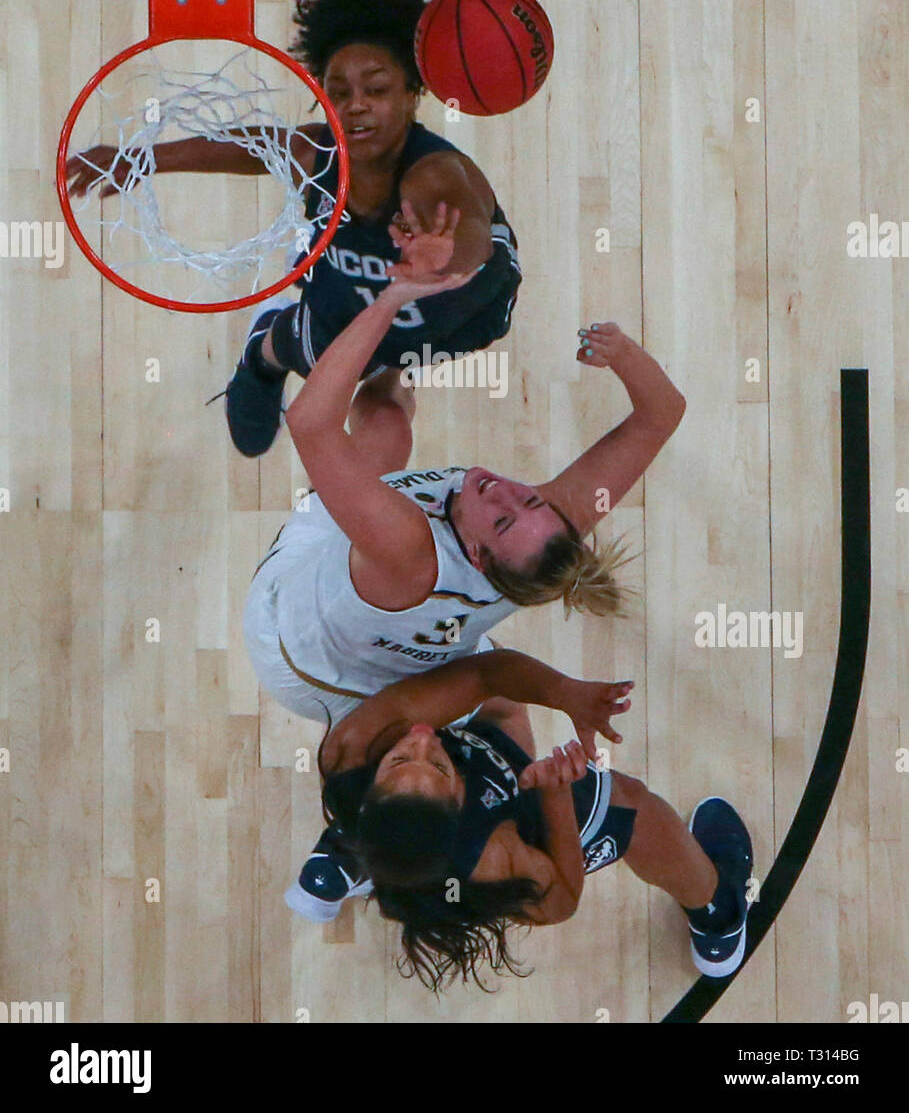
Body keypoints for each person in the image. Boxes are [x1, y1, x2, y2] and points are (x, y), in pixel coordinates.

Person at [243, 257, 686, 729]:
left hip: (295, 649)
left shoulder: (407, 546)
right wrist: (621, 352)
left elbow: (310, 423)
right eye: (530, 499)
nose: (507, 494)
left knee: (364, 448)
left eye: (502, 519)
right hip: (403, 650)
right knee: (387, 415)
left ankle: (269, 346)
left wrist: (390, 299)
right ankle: (391, 351)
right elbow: (662, 413)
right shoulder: (546, 531)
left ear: (475, 554)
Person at [288, 646, 753, 992]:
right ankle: (718, 915)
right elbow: (562, 901)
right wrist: (554, 795)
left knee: (487, 683)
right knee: (636, 807)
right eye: (437, 765)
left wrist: (562, 692)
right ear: (458, 802)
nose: (423, 738)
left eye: (403, 759)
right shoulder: (491, 855)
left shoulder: (349, 752)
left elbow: (487, 675)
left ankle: (353, 856)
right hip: (525, 801)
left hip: (410, 811)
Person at [222, 0, 523, 455]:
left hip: (451, 313)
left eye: (377, 89)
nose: (355, 104)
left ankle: (386, 380)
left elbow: (471, 236)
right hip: (346, 302)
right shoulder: (316, 153)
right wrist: (142, 157)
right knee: (358, 396)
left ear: (412, 94)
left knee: (383, 408)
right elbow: (260, 146)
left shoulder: (434, 174)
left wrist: (444, 265)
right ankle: (264, 350)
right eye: (338, 93)